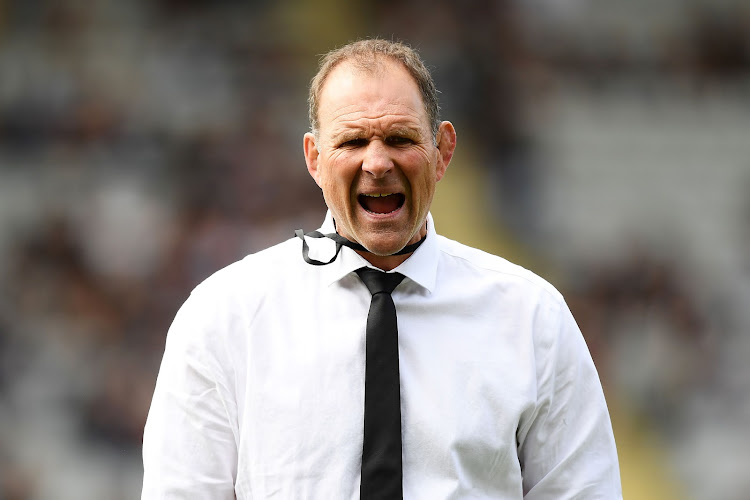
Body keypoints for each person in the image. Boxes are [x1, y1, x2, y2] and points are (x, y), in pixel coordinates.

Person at [142, 39, 622, 499]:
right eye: (352, 141)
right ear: (314, 159)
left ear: (443, 151)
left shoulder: (532, 318)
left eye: (399, 138)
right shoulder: (224, 318)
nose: (377, 162)